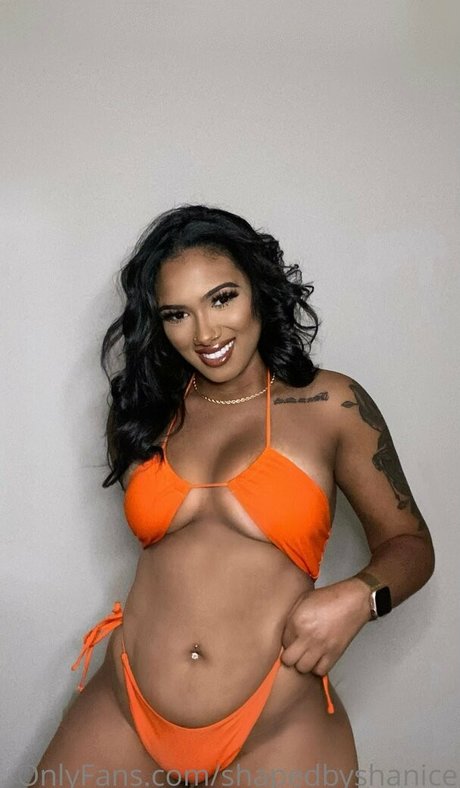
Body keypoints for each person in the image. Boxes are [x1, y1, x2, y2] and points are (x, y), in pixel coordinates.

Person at [35, 205, 435, 787]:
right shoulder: (148, 414)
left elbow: (410, 544)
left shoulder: (331, 405)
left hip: (277, 723)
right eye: (177, 314)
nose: (205, 334)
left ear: (258, 291)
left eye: (222, 299)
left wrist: (358, 599)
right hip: (126, 704)